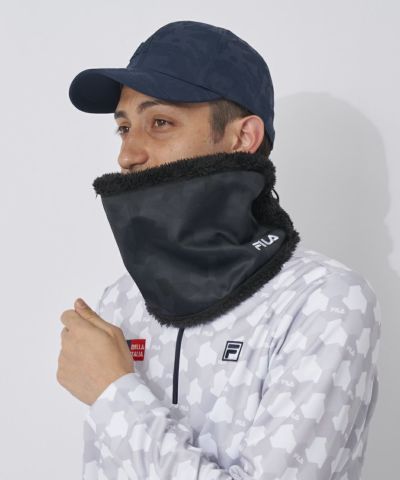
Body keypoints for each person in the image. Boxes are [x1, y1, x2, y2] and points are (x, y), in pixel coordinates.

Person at [65, 20, 381, 480]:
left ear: (243, 137)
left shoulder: (324, 302)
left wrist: (112, 391)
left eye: (160, 123)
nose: (127, 154)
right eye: (123, 128)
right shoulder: (123, 301)